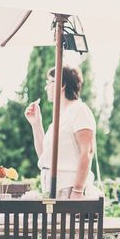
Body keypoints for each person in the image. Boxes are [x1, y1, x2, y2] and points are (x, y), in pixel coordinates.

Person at [24, 66, 97, 198]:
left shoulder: (80, 110)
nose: (46, 87)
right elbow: (44, 157)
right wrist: (36, 124)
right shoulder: (60, 117)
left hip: (70, 190)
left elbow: (87, 152)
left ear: (62, 84)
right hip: (53, 189)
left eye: (49, 82)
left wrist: (78, 190)